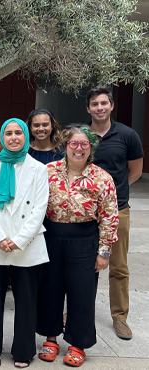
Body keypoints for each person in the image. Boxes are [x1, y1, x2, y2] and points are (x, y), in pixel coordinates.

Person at [0, 118, 49, 368]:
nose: (14, 137)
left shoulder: (38, 168)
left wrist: (18, 240)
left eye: (18, 133)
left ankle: (24, 350)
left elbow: (39, 208)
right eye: (9, 133)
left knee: (26, 301)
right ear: (2, 137)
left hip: (26, 244)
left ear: (26, 136)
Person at [37, 124, 118, 367]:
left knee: (81, 293)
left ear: (91, 147)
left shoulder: (102, 178)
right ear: (65, 146)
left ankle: (77, 344)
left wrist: (103, 253)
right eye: (74, 143)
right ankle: (51, 339)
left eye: (84, 144)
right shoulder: (48, 171)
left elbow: (110, 217)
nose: (79, 148)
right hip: (51, 237)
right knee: (50, 290)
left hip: (85, 241)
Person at [87, 85, 143, 340]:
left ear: (111, 106)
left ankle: (120, 317)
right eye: (95, 104)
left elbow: (135, 171)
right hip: (85, 213)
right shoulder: (81, 134)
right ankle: (77, 310)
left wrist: (112, 195)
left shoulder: (127, 135)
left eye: (103, 103)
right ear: (88, 108)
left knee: (118, 266)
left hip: (118, 211)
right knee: (83, 265)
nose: (100, 108)